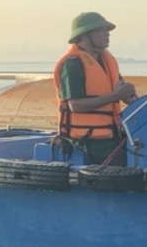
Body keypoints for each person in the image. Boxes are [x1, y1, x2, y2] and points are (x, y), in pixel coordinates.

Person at [53, 11, 137, 166]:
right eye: (101, 30)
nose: (107, 34)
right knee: (130, 165)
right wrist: (113, 96)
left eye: (107, 30)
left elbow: (121, 91)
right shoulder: (73, 64)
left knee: (146, 152)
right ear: (85, 35)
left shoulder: (106, 60)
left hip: (112, 135)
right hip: (86, 140)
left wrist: (132, 98)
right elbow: (75, 105)